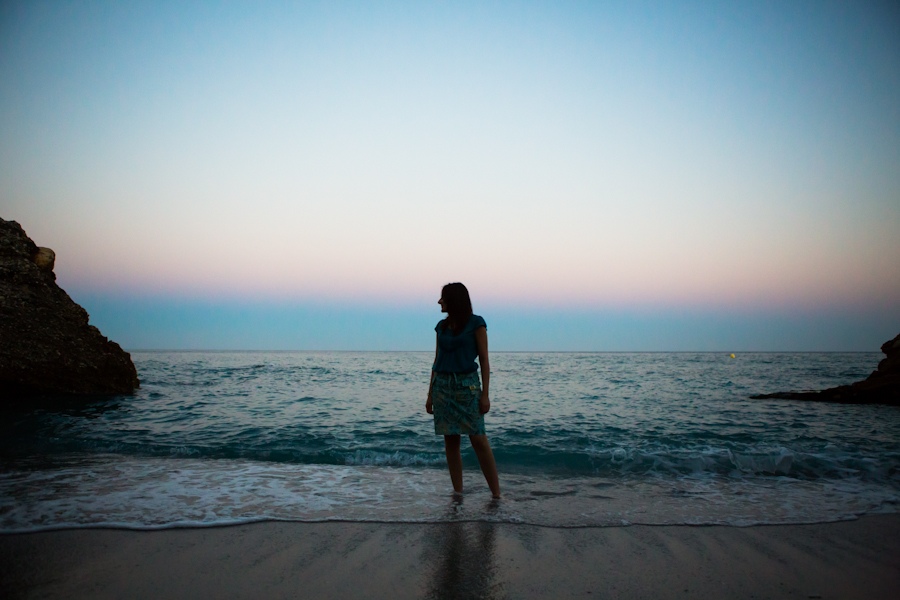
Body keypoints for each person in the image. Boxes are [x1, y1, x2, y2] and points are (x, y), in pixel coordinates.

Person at [426, 282, 501, 498]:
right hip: (442, 387)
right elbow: (436, 360)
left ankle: (497, 494)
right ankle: (458, 493)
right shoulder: (441, 327)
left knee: (478, 438)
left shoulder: (476, 324)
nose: (439, 301)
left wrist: (485, 394)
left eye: (443, 298)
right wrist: (430, 394)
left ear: (454, 300)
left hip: (467, 387)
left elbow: (485, 360)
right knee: (450, 440)